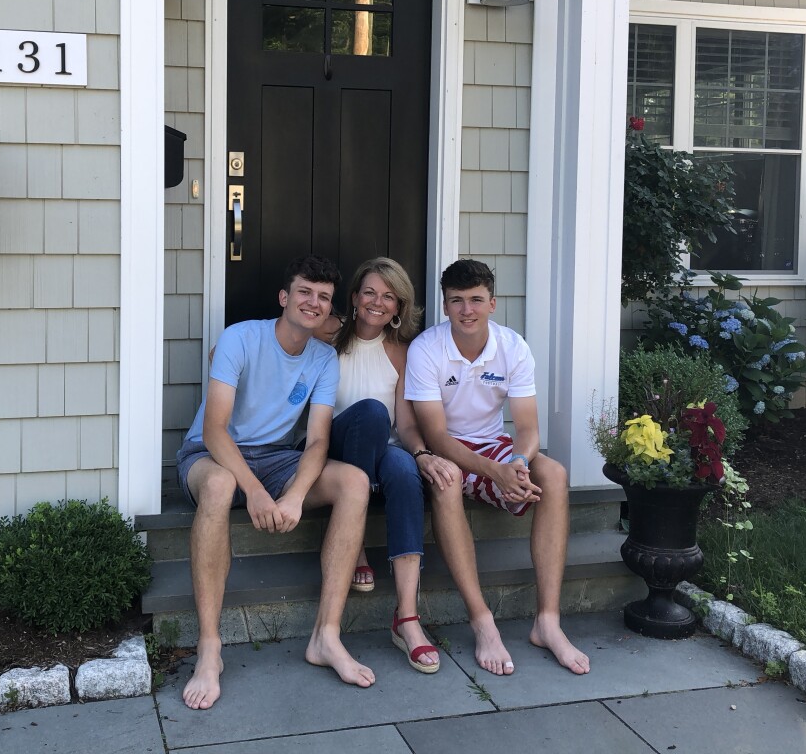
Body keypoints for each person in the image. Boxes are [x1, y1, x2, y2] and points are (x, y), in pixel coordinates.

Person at [175, 255, 375, 711]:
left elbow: (319, 440)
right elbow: (215, 430)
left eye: (323, 297)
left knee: (356, 482)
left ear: (329, 311)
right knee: (222, 486)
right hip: (210, 455)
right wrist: (259, 492)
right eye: (305, 292)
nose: (314, 302)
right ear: (285, 298)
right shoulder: (240, 338)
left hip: (277, 459)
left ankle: (326, 635)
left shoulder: (324, 359)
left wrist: (296, 495)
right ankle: (210, 648)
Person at [405, 259, 591, 678]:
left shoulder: (512, 346)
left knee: (554, 475)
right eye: (456, 301)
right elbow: (436, 438)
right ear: (445, 304)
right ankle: (482, 620)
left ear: (492, 303)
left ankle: (547, 621)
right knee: (448, 480)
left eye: (475, 300)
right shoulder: (427, 349)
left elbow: (527, 429)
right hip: (449, 450)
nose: (466, 310)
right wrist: (496, 473)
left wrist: (519, 466)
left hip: (495, 445)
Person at [323, 258, 460, 674]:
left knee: (402, 470)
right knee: (367, 412)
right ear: (354, 298)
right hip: (331, 445)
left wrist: (422, 454)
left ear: (399, 305)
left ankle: (407, 618)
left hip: (383, 445)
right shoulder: (327, 332)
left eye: (388, 296)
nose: (377, 302)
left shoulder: (403, 352)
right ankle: (355, 537)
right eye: (369, 292)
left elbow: (403, 421)